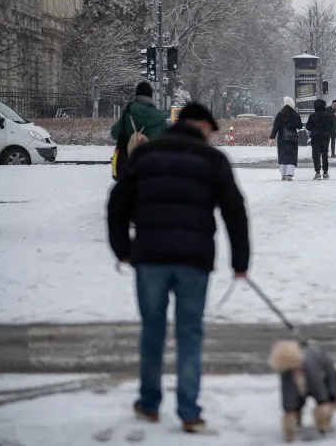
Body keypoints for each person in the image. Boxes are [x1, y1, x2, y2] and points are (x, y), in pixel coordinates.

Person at [107, 102, 250, 434]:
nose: (212, 138)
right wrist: (240, 261)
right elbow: (234, 211)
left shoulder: (145, 155)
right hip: (194, 261)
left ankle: (149, 403)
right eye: (210, 131)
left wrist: (123, 249)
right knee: (189, 335)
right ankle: (189, 412)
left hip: (150, 258)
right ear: (200, 125)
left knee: (152, 333)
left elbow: (118, 203)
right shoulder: (212, 161)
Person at [110, 81, 168, 181]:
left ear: (136, 95)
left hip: (128, 165)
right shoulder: (160, 118)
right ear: (151, 96)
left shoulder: (127, 113)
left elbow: (114, 133)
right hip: (153, 166)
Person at [269, 96, 303, 181]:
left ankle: (283, 174)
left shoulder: (280, 114)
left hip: (282, 139)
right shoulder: (295, 114)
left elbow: (275, 127)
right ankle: (289, 174)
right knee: (291, 156)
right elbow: (299, 126)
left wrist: (271, 137)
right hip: (292, 140)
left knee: (283, 156)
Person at [306, 99, 335, 180]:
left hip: (316, 137)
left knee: (316, 155)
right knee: (325, 154)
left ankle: (318, 172)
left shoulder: (312, 116)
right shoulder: (329, 115)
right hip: (325, 137)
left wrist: (314, 128)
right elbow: (332, 126)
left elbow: (308, 127)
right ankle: (325, 172)